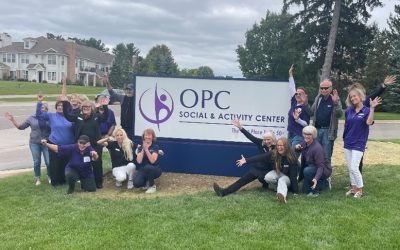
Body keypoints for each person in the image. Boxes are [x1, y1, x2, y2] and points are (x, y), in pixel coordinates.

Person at [347, 75, 396, 174]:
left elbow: (375, 94)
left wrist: (384, 85)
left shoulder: (364, 102)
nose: (353, 97)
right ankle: (353, 183)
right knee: (351, 161)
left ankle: (357, 184)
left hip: (360, 138)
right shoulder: (350, 107)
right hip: (349, 138)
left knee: (357, 161)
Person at [61, 97, 109, 189]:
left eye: (88, 107)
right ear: (82, 109)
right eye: (84, 108)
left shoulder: (96, 116)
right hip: (81, 146)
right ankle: (84, 180)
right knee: (83, 163)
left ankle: (98, 182)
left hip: (95, 145)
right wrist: (65, 103)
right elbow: (68, 116)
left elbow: (105, 118)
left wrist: (105, 106)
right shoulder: (78, 117)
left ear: (91, 108)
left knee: (97, 163)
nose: (86, 109)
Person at [343, 86, 381, 198]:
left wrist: (372, 108)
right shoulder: (349, 110)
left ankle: (360, 190)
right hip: (348, 142)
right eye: (351, 97)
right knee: (350, 167)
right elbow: (347, 124)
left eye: (354, 96)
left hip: (359, 143)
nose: (353, 98)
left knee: (355, 167)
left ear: (360, 96)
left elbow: (369, 122)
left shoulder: (367, 110)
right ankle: (354, 188)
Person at [4, 103, 51, 185]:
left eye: (45, 108)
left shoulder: (49, 118)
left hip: (46, 143)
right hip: (34, 143)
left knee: (48, 161)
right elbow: (21, 127)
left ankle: (50, 176)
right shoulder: (31, 118)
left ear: (47, 110)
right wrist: (12, 120)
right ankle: (37, 178)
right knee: (37, 161)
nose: (43, 109)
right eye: (41, 107)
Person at [36, 95, 75, 186]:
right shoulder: (51, 116)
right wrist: (39, 102)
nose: (60, 107)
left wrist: (67, 102)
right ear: (56, 107)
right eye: (58, 106)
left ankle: (63, 180)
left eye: (62, 106)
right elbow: (39, 115)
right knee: (54, 163)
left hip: (68, 144)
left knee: (65, 163)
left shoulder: (70, 117)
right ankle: (55, 181)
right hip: (54, 143)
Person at [231, 118, 276, 187]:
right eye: (265, 139)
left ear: (272, 139)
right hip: (257, 169)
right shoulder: (261, 142)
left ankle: (267, 185)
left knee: (262, 178)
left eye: (268, 139)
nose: (266, 141)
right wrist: (240, 128)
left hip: (268, 171)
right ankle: (223, 192)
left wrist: (247, 160)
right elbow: (250, 137)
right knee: (241, 181)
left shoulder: (276, 147)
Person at [310, 79, 343, 163]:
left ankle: (326, 175)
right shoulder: (318, 98)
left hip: (328, 131)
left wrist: (335, 103)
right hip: (316, 130)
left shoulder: (335, 99)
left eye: (326, 88)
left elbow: (339, 114)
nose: (323, 90)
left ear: (330, 88)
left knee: (326, 155)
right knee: (316, 153)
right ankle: (317, 173)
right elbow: (311, 111)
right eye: (322, 88)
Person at [295, 125, 332, 197]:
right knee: (305, 191)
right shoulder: (305, 143)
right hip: (311, 167)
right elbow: (299, 149)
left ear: (313, 135)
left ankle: (322, 185)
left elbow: (320, 166)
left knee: (307, 170)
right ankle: (314, 182)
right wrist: (297, 148)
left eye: (309, 134)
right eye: (305, 134)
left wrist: (315, 179)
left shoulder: (317, 148)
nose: (306, 136)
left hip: (323, 170)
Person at [263, 138, 298, 203]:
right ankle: (278, 189)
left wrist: (295, 191)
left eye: (281, 145)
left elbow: (293, 176)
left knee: (282, 180)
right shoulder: (275, 153)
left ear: (286, 146)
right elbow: (261, 157)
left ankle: (282, 196)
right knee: (267, 177)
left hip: (288, 178)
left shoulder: (291, 157)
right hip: (280, 174)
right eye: (278, 145)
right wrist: (246, 160)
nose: (279, 147)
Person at [287, 65, 311, 154]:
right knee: (288, 156)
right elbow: (292, 87)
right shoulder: (294, 102)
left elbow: (306, 124)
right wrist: (290, 74)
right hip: (290, 134)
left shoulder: (306, 107)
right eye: (297, 94)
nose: (297, 95)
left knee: (293, 156)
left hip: (299, 135)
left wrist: (298, 120)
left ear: (305, 95)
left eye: (300, 94)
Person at [104, 75, 135, 140]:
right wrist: (107, 82)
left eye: (131, 89)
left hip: (133, 128)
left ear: (134, 90)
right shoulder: (122, 97)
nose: (129, 91)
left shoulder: (136, 99)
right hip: (123, 127)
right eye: (127, 89)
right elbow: (111, 92)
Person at [133, 128, 162, 194]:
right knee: (136, 184)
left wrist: (147, 150)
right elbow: (139, 161)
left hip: (155, 169)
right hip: (143, 169)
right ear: (143, 137)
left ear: (152, 137)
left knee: (148, 167)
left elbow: (152, 161)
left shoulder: (155, 147)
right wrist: (143, 149)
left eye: (149, 135)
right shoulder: (140, 148)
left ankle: (152, 186)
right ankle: (146, 182)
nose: (147, 137)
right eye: (146, 135)